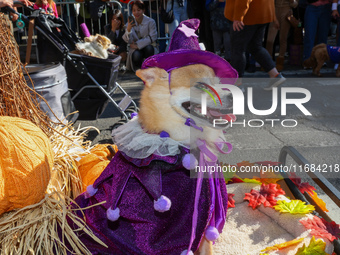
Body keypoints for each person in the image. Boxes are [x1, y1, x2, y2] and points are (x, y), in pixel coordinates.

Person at [225, 0, 286, 90]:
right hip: (262, 12)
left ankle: (237, 84)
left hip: (247, 16)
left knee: (238, 49)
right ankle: (275, 75)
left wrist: (238, 16)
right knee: (255, 47)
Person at [122, 0, 158, 71]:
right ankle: (138, 69)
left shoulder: (150, 21)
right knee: (136, 55)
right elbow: (128, 40)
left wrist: (138, 45)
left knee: (149, 49)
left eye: (139, 10)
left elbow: (153, 37)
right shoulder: (130, 23)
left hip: (148, 46)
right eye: (134, 10)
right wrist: (128, 29)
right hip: (134, 49)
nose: (136, 13)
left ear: (143, 10)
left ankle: (149, 67)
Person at [266, 0, 298, 71]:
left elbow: (295, 5)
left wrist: (292, 1)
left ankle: (280, 62)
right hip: (275, 12)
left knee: (282, 39)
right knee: (269, 40)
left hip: (286, 12)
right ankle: (268, 62)